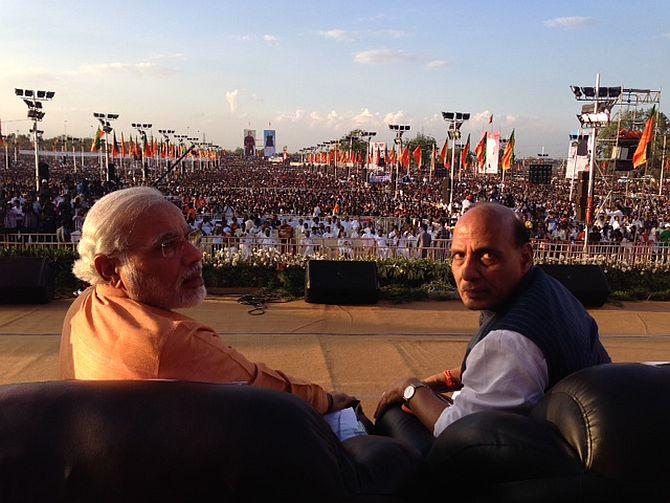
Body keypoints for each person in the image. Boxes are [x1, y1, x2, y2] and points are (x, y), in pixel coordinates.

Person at [60, 187, 356, 415]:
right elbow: (267, 391)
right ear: (110, 269)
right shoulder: (171, 341)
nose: (195, 255)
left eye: (188, 238)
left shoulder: (83, 306)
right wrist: (328, 400)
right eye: (167, 246)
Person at [374, 203, 611, 455]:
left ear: (525, 257)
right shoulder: (544, 290)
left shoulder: (509, 341)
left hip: (532, 467)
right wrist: (439, 381)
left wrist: (410, 388)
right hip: (570, 444)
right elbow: (504, 369)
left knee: (395, 413)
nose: (467, 272)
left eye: (487, 256)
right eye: (459, 255)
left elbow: (458, 430)